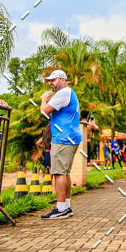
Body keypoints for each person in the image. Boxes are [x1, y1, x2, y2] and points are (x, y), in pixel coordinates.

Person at [39, 68, 80, 219]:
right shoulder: (68, 93)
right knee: (64, 172)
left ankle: (61, 207)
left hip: (63, 138)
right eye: (49, 81)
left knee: (58, 172)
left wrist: (44, 99)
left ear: (63, 79)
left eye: (54, 80)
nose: (51, 83)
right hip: (69, 137)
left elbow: (44, 111)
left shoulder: (63, 93)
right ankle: (66, 206)